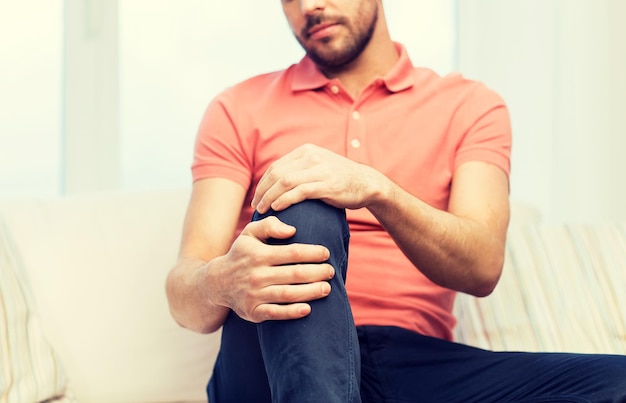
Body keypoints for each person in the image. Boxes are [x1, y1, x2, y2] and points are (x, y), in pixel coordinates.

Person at [166, 1, 626, 401]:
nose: (309, 7)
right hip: (272, 360)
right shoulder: (238, 108)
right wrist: (220, 282)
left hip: (414, 364)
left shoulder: (469, 106)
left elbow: (482, 266)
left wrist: (377, 189)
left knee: (614, 381)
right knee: (303, 200)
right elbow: (184, 290)